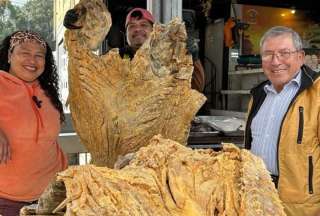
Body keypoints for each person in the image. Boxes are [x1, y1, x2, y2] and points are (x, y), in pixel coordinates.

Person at [245, 26, 320, 216]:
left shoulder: (316, 93)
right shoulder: (258, 94)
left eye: (284, 53)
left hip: (300, 205)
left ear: (300, 56)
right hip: (257, 196)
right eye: (268, 54)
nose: (275, 61)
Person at [0, 31, 67, 215]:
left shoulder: (47, 92)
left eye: (39, 55)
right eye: (25, 52)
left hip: (53, 195)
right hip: (7, 200)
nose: (32, 60)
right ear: (9, 55)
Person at [64, 7, 205, 92]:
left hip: (162, 132)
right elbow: (87, 75)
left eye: (144, 25)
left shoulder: (169, 57)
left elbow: (196, 89)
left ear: (154, 30)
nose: (137, 29)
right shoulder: (116, 57)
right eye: (131, 26)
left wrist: (194, 58)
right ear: (126, 35)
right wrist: (75, 30)